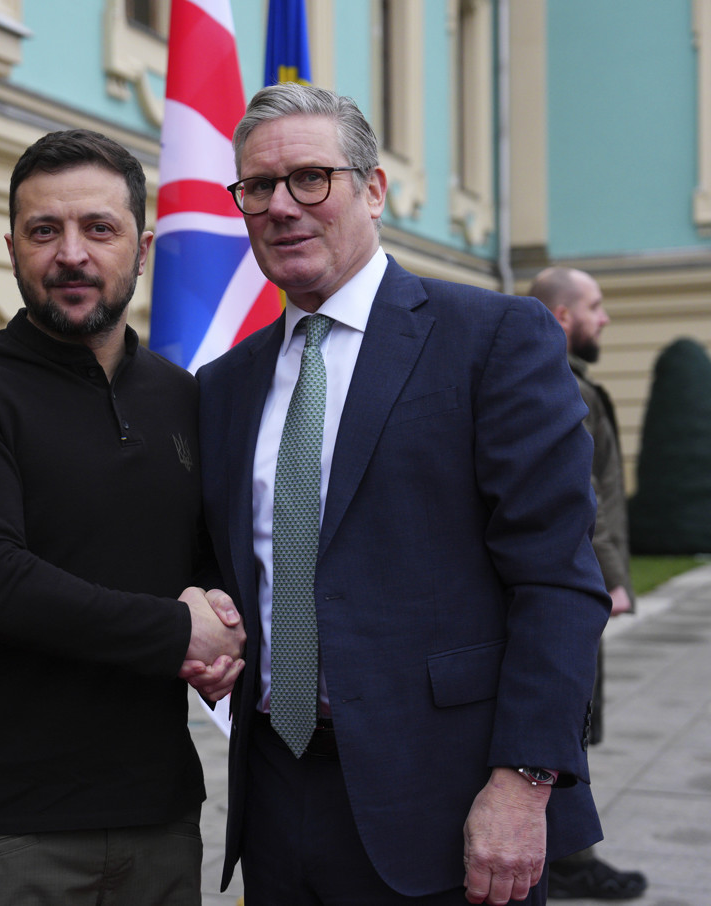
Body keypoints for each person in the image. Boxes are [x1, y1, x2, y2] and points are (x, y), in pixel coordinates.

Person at [196, 83, 611, 906]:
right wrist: (201, 607)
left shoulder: (493, 338)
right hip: (274, 793)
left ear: (374, 189)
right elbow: (231, 562)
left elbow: (557, 578)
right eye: (258, 186)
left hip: (449, 800)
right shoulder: (224, 383)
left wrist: (524, 782)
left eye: (310, 177)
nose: (281, 206)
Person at [0, 128, 245, 905]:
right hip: (3, 829)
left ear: (142, 249)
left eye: (99, 228)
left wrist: (219, 617)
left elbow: (203, 552)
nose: (72, 254)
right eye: (44, 231)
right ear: (13, 248)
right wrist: (179, 632)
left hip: (159, 816)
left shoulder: (184, 396)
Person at [530, 267, 648, 900]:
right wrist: (611, 578)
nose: (604, 318)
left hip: (572, 578)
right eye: (594, 306)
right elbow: (584, 493)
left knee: (569, 717)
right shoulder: (561, 385)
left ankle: (565, 855)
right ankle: (569, 862)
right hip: (574, 582)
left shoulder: (565, 379)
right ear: (562, 317)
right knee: (565, 719)